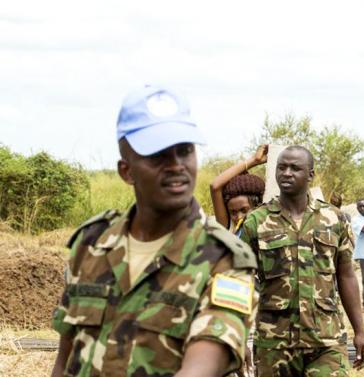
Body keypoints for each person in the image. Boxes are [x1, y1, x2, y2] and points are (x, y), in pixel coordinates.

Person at [50, 85, 258, 377]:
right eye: (158, 155)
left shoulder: (224, 258)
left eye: (185, 151)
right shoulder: (91, 243)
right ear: (127, 171)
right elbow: (65, 360)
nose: (176, 166)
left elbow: (204, 365)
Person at [239, 146, 364, 375]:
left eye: (295, 168)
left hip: (326, 340)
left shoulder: (334, 219)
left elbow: (346, 275)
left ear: (310, 175)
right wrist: (239, 337)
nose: (287, 173)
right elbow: (242, 281)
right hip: (274, 343)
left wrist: (360, 331)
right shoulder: (255, 222)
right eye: (282, 167)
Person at [209, 145, 267, 235]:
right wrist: (254, 160)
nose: (239, 217)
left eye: (244, 210)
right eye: (233, 212)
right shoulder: (229, 228)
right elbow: (215, 186)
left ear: (257, 206)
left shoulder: (268, 223)